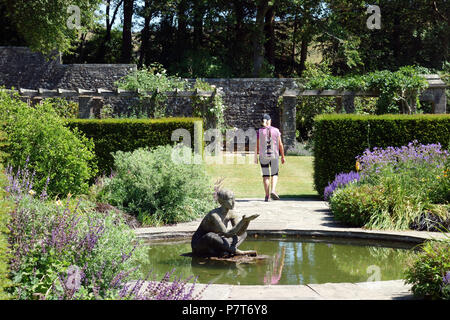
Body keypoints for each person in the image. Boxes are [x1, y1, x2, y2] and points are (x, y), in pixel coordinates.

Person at [191, 189, 259, 257]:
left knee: (244, 234)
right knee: (210, 236)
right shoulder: (214, 215)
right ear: (221, 201)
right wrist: (242, 221)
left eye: (234, 199)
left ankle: (225, 250)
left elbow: (239, 233)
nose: (233, 202)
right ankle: (235, 251)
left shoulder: (232, 213)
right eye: (230, 199)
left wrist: (247, 221)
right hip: (200, 244)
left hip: (217, 241)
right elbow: (227, 233)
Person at [254, 113, 285, 202]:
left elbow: (257, 145)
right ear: (269, 121)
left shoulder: (259, 131)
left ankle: (267, 196)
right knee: (274, 174)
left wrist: (255, 157)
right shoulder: (276, 130)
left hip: (263, 156)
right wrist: (283, 156)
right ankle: (273, 190)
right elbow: (280, 144)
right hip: (274, 155)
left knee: (265, 176)